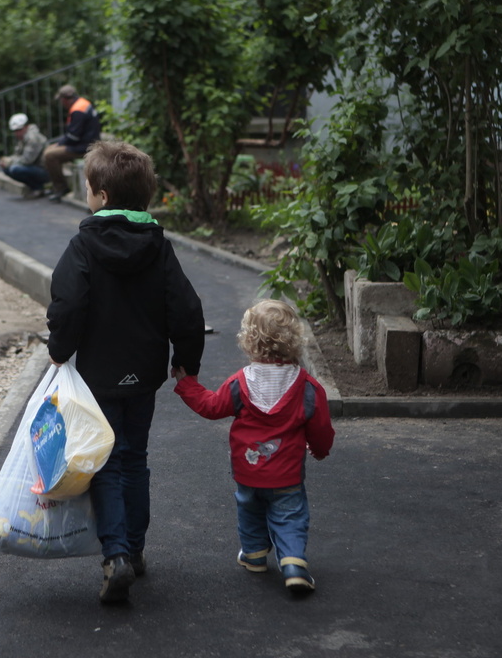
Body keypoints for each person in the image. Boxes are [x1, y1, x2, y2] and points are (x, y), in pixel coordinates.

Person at [46, 139, 205, 604]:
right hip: (145, 374)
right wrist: (186, 362)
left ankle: (114, 555)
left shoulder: (83, 246)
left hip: (99, 375)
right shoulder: (159, 247)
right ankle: (134, 551)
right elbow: (188, 310)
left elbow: (69, 303)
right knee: (136, 458)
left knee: (108, 462)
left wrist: (59, 350)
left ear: (101, 195)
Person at [172, 299, 335, 596]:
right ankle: (294, 564)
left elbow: (211, 406)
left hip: (247, 471)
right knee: (290, 515)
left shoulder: (241, 383)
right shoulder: (308, 387)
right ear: (294, 340)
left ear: (249, 341)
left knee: (249, 510)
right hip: (286, 475)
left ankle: (254, 555)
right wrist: (320, 450)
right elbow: (321, 429)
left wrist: (188, 384)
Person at [42, 84, 102, 202]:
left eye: (61, 100)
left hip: (84, 146)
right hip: (88, 142)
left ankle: (61, 188)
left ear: (65, 99)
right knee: (50, 149)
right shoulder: (83, 103)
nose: (61, 103)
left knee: (49, 155)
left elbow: (73, 137)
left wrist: (60, 144)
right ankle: (56, 186)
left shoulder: (77, 110)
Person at [0, 113, 49, 198]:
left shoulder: (32, 138)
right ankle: (35, 187)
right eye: (15, 131)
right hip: (35, 167)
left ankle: (38, 188)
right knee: (7, 169)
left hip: (44, 169)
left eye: (19, 130)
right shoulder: (24, 138)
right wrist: (6, 160)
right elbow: (18, 155)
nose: (17, 133)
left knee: (15, 169)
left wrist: (9, 162)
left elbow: (27, 160)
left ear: (26, 126)